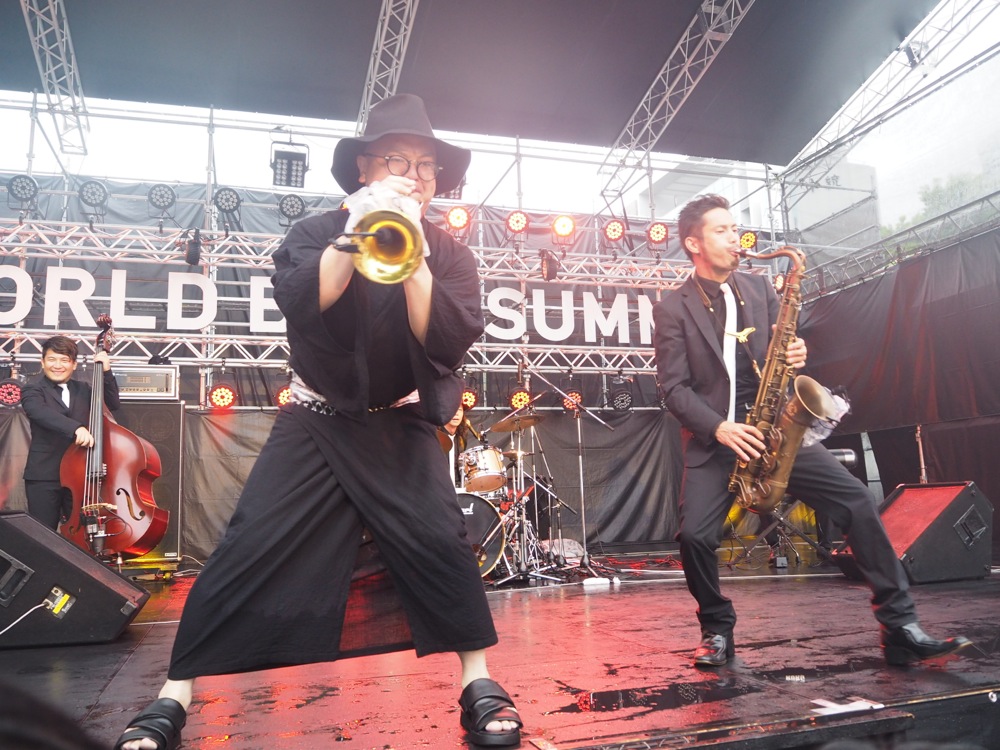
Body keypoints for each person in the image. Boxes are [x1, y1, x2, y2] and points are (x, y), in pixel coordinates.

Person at [115, 94, 521, 750]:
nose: (415, 176)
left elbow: (445, 341)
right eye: (398, 161)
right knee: (249, 543)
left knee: (440, 539)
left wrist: (413, 255)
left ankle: (479, 681)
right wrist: (359, 229)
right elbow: (306, 303)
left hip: (398, 424)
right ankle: (174, 694)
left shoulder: (448, 254)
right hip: (315, 417)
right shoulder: (314, 232)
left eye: (426, 166)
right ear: (364, 167)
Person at [652, 193, 971, 668]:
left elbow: (779, 351)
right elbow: (673, 389)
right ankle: (716, 628)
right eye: (721, 230)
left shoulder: (759, 288)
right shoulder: (671, 309)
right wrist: (719, 428)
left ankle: (900, 626)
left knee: (858, 501)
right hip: (718, 439)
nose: (735, 237)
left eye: (734, 227)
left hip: (775, 431)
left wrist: (796, 352)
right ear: (693, 244)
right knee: (695, 537)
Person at [20, 335, 119, 530]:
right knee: (43, 533)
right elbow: (39, 412)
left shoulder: (84, 389)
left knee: (80, 532)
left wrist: (106, 372)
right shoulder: (32, 389)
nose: (57, 365)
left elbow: (113, 404)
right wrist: (75, 428)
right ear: (42, 362)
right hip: (44, 475)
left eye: (64, 360)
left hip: (80, 474)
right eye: (52, 359)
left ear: (73, 364)